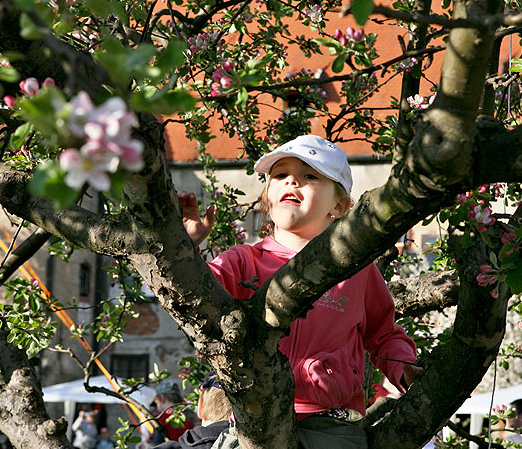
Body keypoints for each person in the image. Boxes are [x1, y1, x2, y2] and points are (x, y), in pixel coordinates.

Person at [180, 135, 420, 449]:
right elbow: (194, 298)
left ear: (339, 204)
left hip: (330, 425)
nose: (292, 180)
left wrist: (405, 369)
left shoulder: (356, 270)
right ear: (267, 195)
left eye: (309, 176)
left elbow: (384, 334)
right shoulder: (242, 261)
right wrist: (185, 251)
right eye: (280, 175)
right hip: (253, 421)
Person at [153, 374, 233, 449]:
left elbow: (156, 441)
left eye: (156, 402)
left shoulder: (162, 419)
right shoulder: (189, 414)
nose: (156, 406)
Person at [146, 379, 197, 445]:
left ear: (162, 398)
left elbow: (156, 443)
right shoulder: (191, 417)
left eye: (156, 403)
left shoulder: (162, 419)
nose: (157, 407)